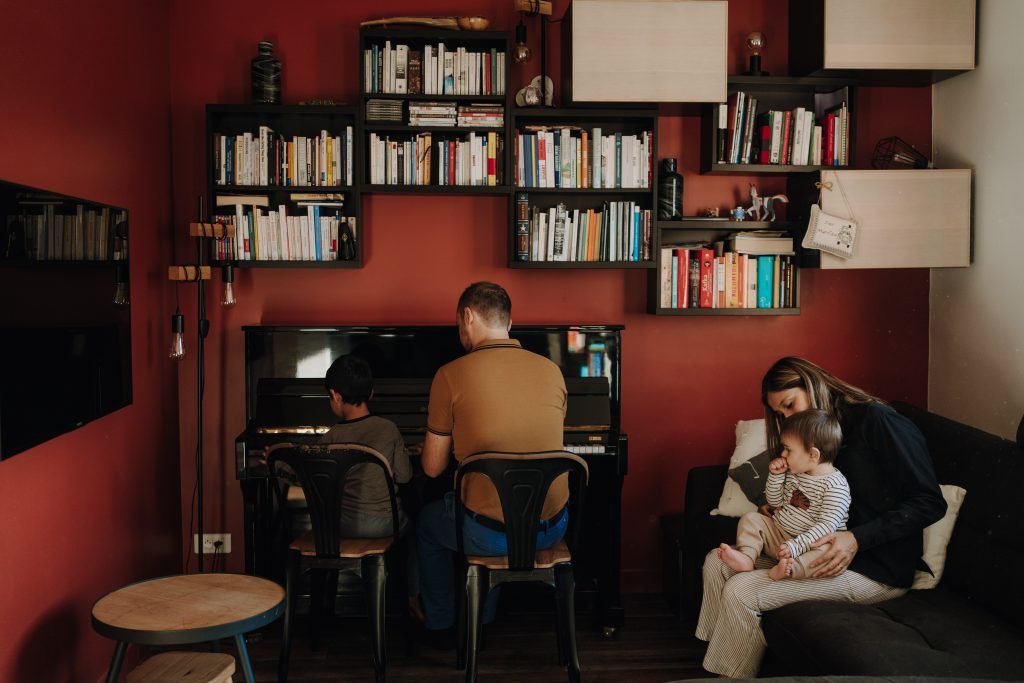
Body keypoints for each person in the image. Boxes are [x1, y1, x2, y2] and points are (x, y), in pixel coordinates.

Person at [696, 356, 946, 678]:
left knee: (741, 591)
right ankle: (723, 659)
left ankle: (729, 675)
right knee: (716, 563)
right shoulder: (813, 435)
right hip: (812, 548)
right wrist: (779, 509)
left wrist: (857, 538)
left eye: (789, 404)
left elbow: (929, 502)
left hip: (873, 567)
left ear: (812, 384)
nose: (788, 418)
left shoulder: (879, 422)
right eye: (780, 414)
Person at [416, 281, 569, 644]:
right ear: (509, 321)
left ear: (468, 317)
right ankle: (483, 617)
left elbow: (432, 468)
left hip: (489, 537)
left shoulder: (450, 374)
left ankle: (440, 624)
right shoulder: (552, 370)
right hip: (552, 527)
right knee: (500, 501)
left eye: (458, 325)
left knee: (428, 523)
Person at [717, 409, 851, 581]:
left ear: (813, 454)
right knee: (751, 518)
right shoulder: (795, 472)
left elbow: (825, 527)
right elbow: (775, 501)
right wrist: (776, 476)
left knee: (828, 553)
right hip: (781, 536)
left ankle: (789, 570)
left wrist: (796, 546)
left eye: (788, 449)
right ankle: (747, 557)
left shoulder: (836, 486)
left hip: (810, 545)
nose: (783, 455)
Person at [317, 353, 413, 537]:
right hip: (385, 524)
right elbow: (404, 477)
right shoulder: (388, 428)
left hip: (343, 526)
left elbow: (316, 477)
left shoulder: (331, 437)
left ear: (335, 396)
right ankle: (395, 565)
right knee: (414, 528)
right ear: (371, 393)